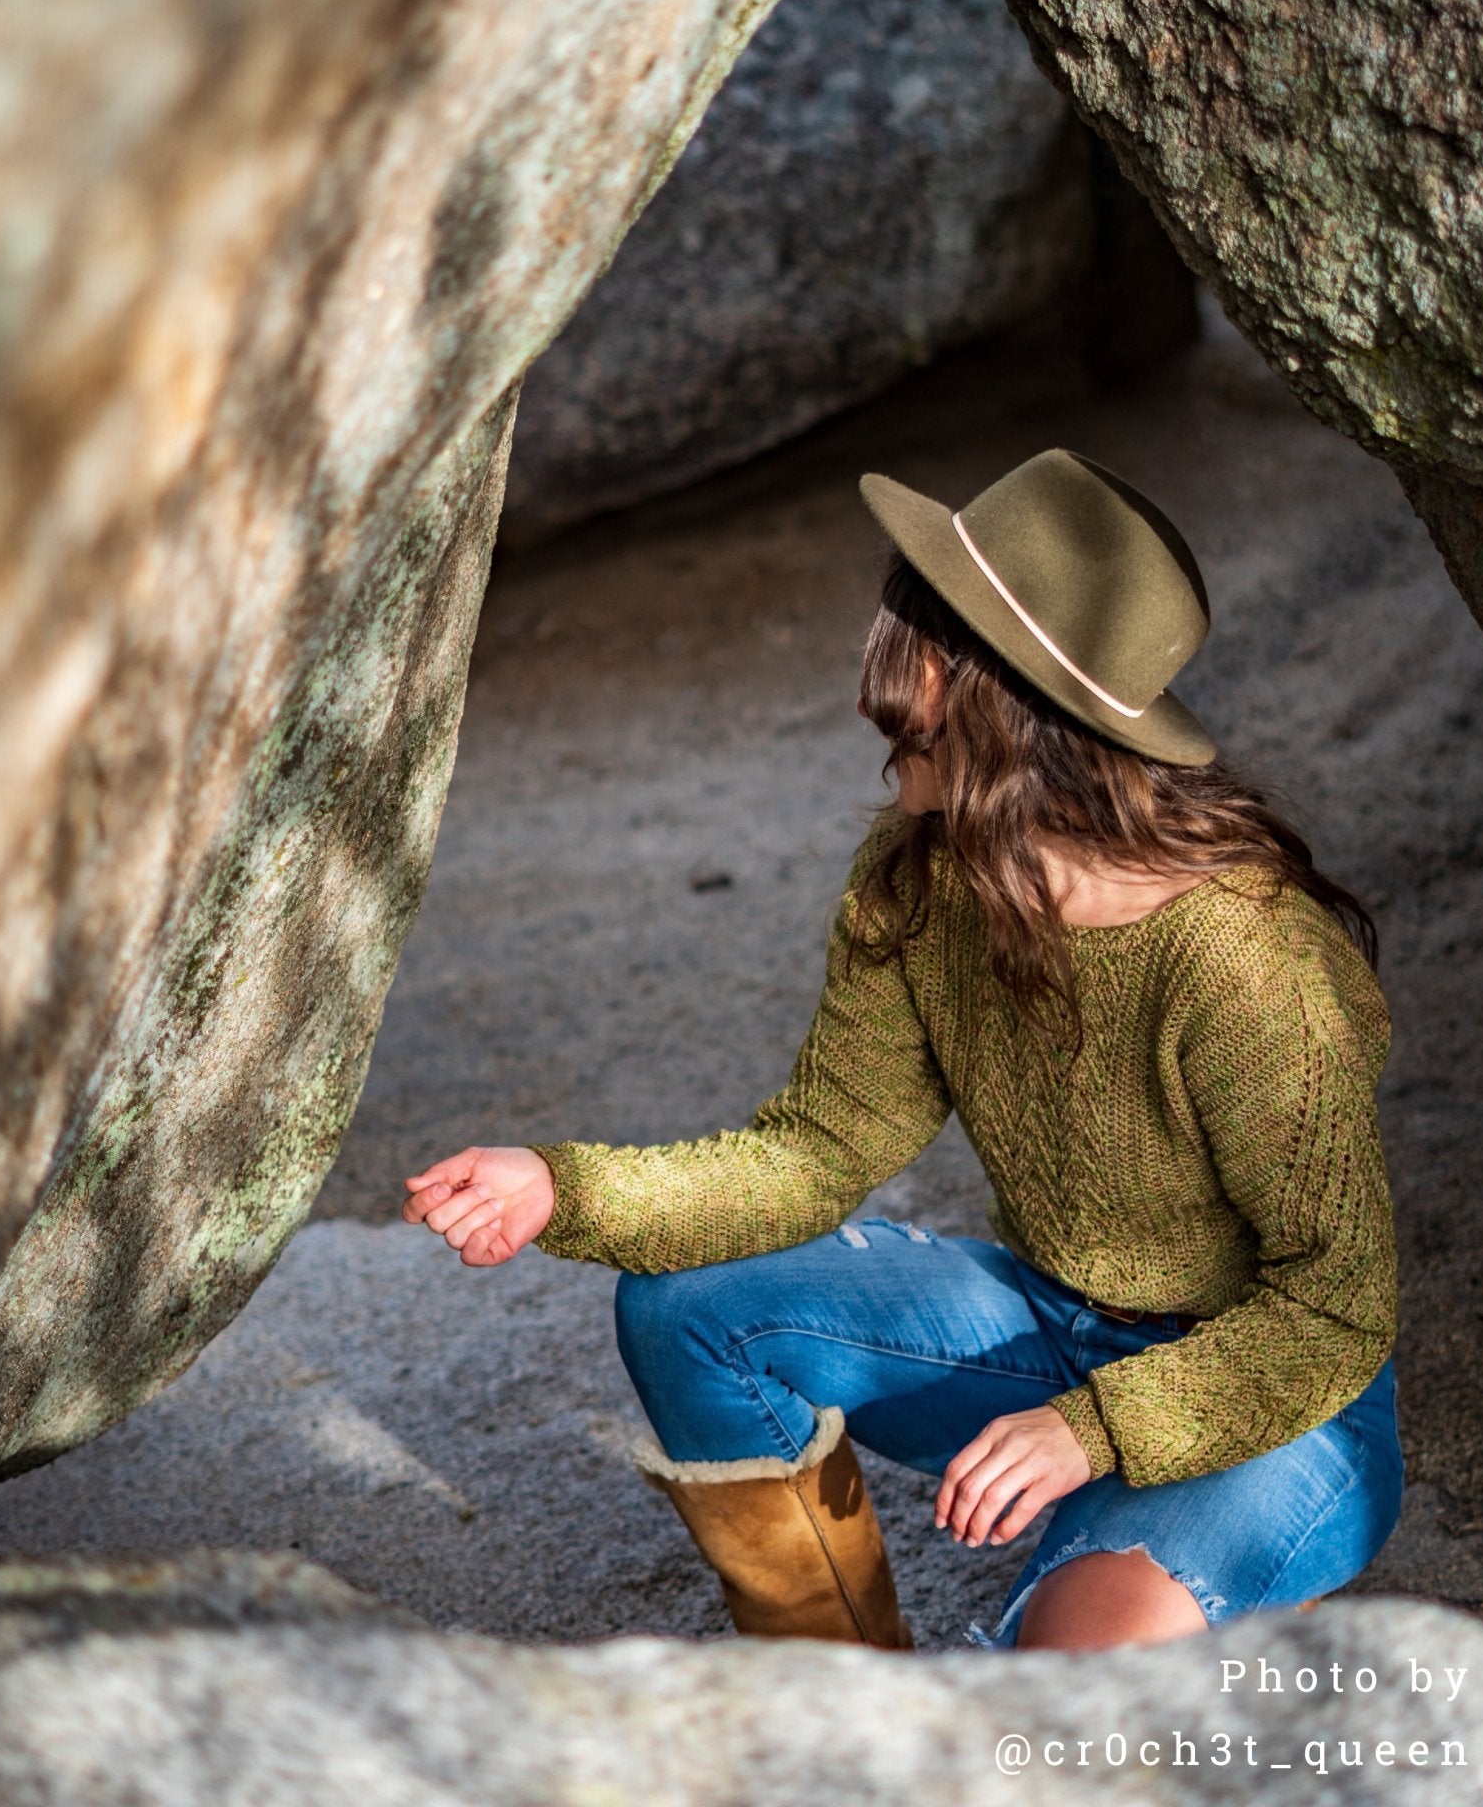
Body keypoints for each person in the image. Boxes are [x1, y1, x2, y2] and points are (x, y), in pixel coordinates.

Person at [401, 449, 1404, 1653]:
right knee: (686, 1311)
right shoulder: (915, 878)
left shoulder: (1250, 963)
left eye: (929, 621)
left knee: (1049, 1698)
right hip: (1051, 1326)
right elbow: (817, 1151)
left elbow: (1335, 1307)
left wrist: (1090, 1432)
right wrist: (564, 1184)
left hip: (1278, 1409)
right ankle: (840, 1696)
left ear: (1008, 702)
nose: (881, 671)